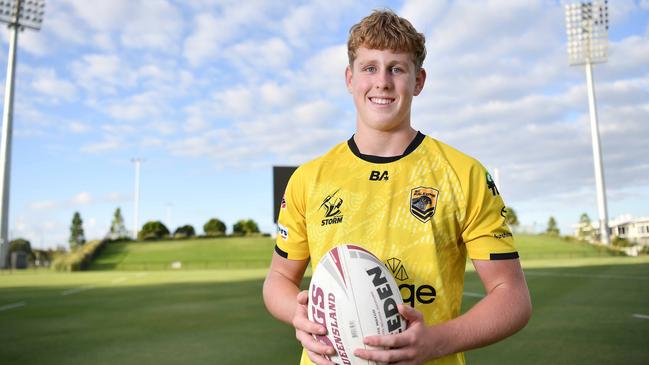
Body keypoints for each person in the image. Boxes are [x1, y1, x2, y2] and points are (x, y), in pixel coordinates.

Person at [263, 9, 532, 365]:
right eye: (369, 67)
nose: (383, 82)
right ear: (349, 78)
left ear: (418, 81)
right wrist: (296, 314)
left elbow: (512, 296)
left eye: (397, 68)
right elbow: (278, 278)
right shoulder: (309, 179)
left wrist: (435, 341)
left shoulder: (463, 174)